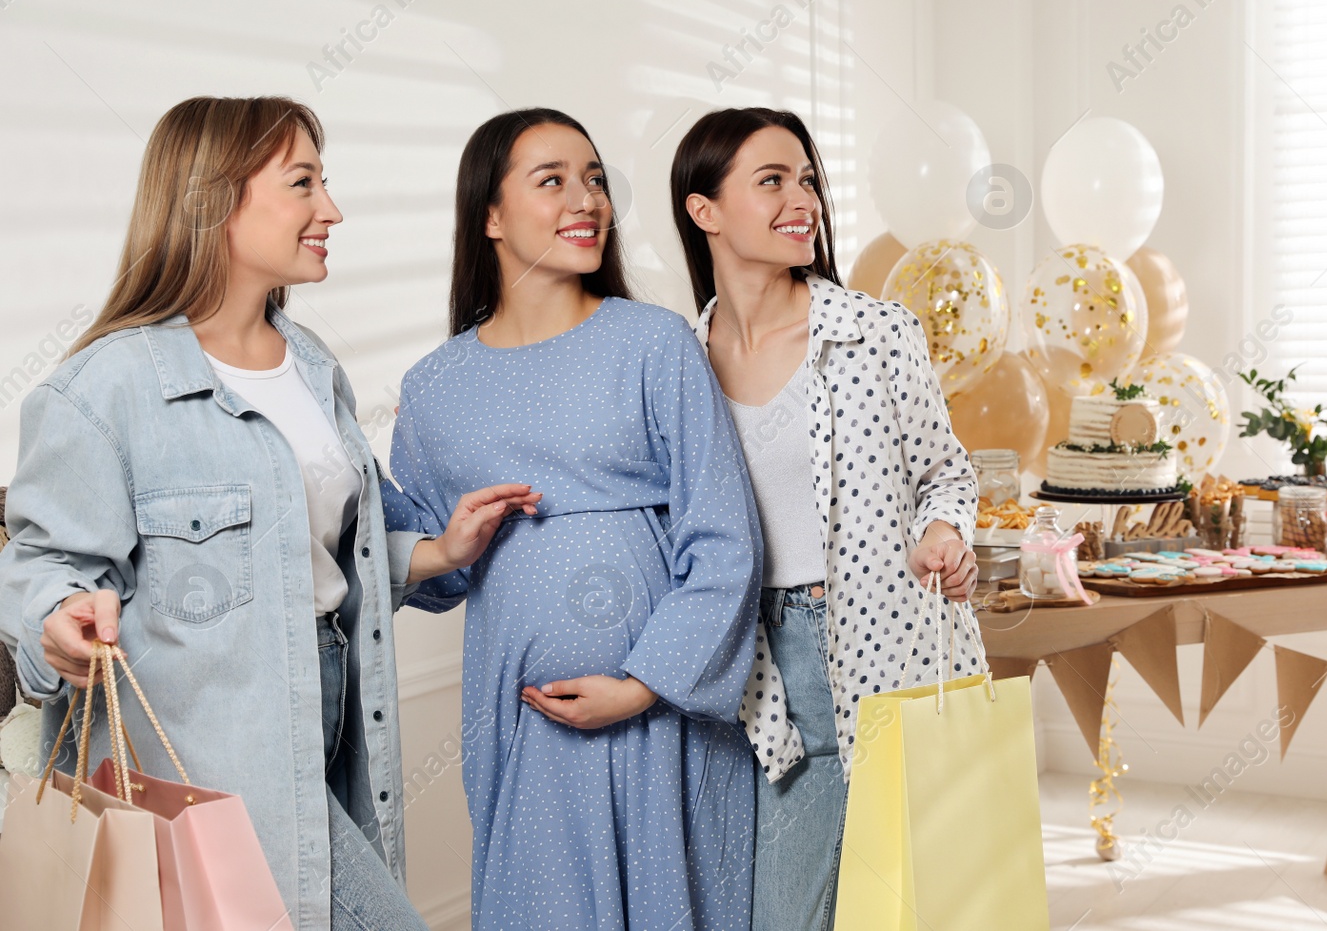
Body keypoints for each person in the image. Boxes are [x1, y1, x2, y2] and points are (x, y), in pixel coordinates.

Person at [0, 96, 534, 931]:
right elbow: (44, 569)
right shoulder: (105, 390)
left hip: (337, 717)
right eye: (303, 183)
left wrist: (435, 552)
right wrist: (58, 621)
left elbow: (321, 553)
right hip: (204, 750)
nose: (332, 209)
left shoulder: (314, 369)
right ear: (215, 199)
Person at [381, 108, 762, 930]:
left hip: (662, 715)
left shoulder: (654, 344)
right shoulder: (436, 386)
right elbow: (423, 565)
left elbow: (724, 538)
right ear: (489, 213)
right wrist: (444, 545)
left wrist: (640, 685)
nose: (585, 199)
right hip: (522, 721)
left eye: (593, 179)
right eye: (551, 180)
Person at [669, 107, 984, 931]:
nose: (801, 197)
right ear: (704, 210)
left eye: (806, 179)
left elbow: (946, 473)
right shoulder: (679, 364)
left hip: (893, 644)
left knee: (918, 906)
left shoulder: (878, 334)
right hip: (761, 667)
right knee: (785, 913)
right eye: (771, 180)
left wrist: (945, 533)